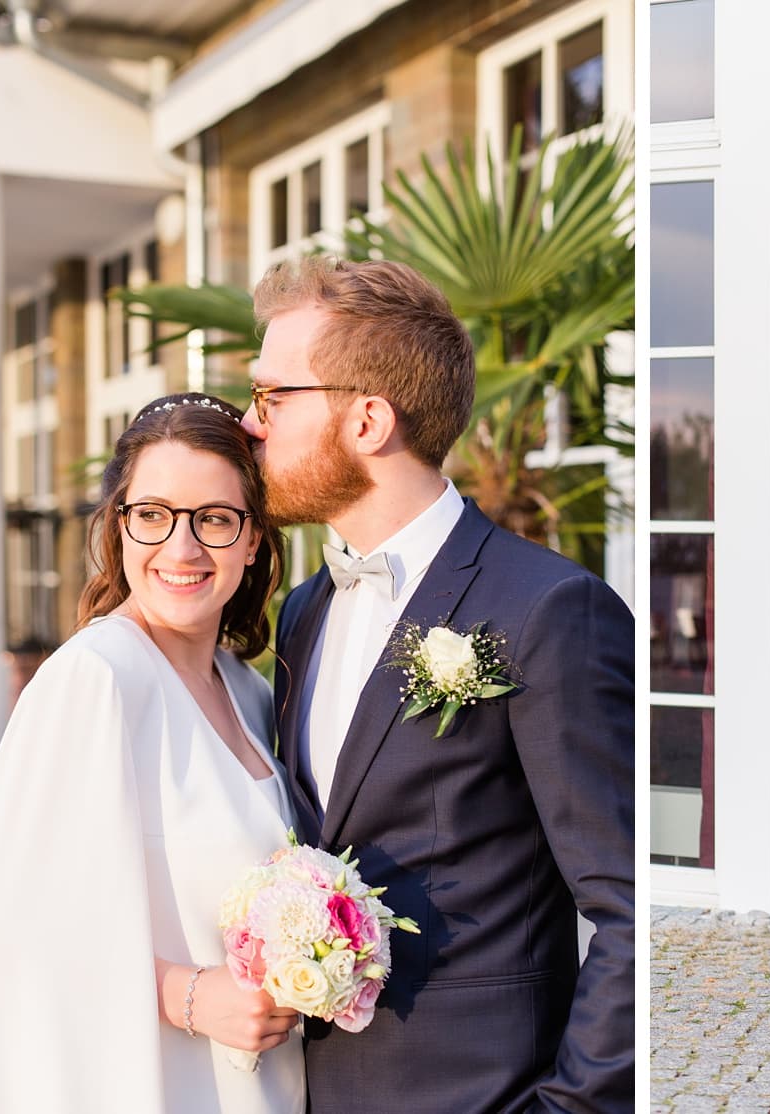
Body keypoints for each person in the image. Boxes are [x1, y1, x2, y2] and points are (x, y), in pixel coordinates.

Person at [244, 255, 635, 1112]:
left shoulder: (551, 610)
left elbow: (632, 907)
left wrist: (565, 1107)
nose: (250, 422)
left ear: (368, 419)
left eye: (273, 398)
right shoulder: (305, 612)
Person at [0, 395, 304, 1113]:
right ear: (119, 527)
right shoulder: (96, 680)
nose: (182, 549)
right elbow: (1, 930)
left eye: (214, 520)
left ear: (253, 539)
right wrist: (191, 997)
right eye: (153, 514)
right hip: (164, 1083)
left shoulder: (248, 689)